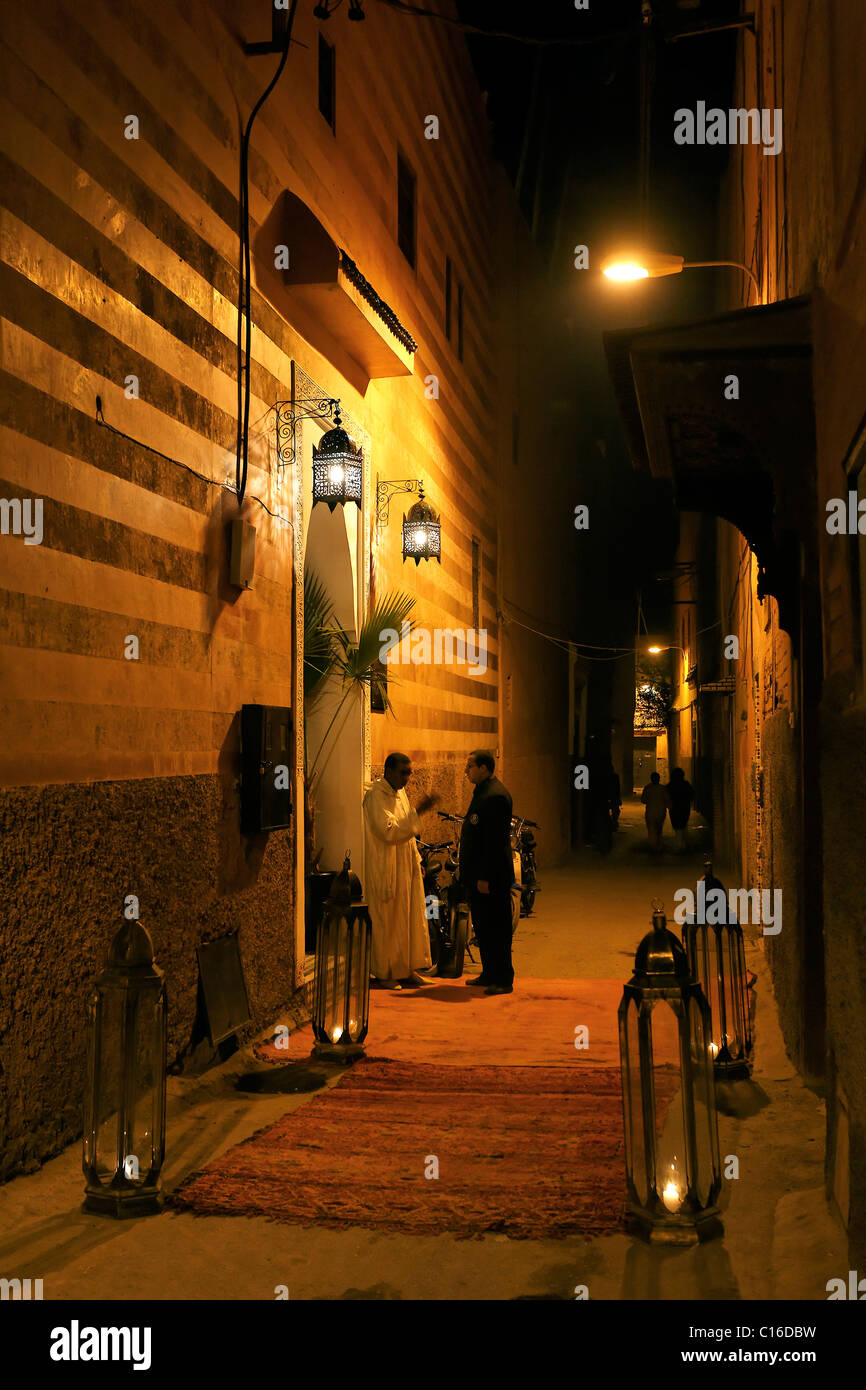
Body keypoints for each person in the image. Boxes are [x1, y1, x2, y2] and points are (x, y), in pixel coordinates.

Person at [363, 753, 438, 988]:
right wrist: (419, 811)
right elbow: (389, 831)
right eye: (403, 772)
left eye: (409, 772)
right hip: (387, 867)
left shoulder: (400, 793)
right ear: (388, 771)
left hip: (406, 865)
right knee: (389, 921)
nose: (407, 778)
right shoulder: (376, 796)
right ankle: (386, 972)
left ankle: (407, 969)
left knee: (409, 918)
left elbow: (407, 833)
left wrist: (416, 859)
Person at [459, 749, 515, 995]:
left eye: (470, 766)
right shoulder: (483, 791)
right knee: (483, 926)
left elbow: (492, 842)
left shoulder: (495, 796)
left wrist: (484, 876)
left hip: (491, 877)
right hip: (478, 875)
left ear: (483, 768)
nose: (466, 771)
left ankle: (502, 978)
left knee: (497, 928)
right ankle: (489, 973)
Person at [667, 767, 695, 853]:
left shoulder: (670, 786)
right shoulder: (686, 785)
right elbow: (692, 795)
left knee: (677, 826)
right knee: (682, 825)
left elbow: (666, 796)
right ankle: (684, 844)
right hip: (684, 808)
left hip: (674, 808)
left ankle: (680, 846)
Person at [641, 771, 669, 853]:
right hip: (661, 812)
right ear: (659, 779)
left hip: (650, 812)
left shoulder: (648, 788)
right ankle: (659, 845)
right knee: (659, 829)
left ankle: (652, 845)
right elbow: (667, 800)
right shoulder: (663, 788)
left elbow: (643, 800)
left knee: (651, 829)